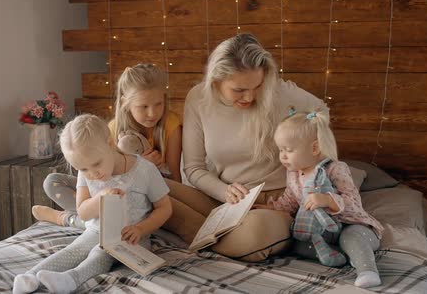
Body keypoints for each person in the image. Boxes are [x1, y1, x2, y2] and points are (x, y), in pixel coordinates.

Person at [161, 33, 329, 261]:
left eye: (257, 86)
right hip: (223, 199)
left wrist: (303, 179)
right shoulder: (198, 98)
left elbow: (321, 112)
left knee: (254, 235)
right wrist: (224, 191)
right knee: (151, 184)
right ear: (216, 80)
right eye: (239, 90)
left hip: (274, 204)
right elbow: (193, 168)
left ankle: (196, 231)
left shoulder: (281, 93)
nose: (249, 97)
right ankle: (218, 235)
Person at [12, 114, 172, 294]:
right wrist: (100, 198)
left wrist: (141, 229)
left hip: (134, 238)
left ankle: (72, 279)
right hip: (97, 229)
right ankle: (30, 277)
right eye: (83, 169)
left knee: (101, 252)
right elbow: (83, 213)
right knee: (75, 249)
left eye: (96, 164)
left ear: (110, 144)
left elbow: (164, 208)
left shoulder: (144, 170)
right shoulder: (87, 171)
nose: (92, 174)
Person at [32, 63, 182, 228]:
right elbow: (106, 173)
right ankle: (78, 219)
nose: (152, 113)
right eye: (143, 107)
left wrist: (148, 168)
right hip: (106, 191)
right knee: (52, 182)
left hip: (146, 195)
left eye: (158, 104)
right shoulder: (112, 129)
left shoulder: (171, 124)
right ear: (126, 103)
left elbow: (176, 179)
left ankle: (70, 220)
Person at [261, 110, 383, 288]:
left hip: (350, 225)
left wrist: (327, 200)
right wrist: (271, 208)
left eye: (289, 150)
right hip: (321, 232)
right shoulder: (294, 174)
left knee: (351, 238)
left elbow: (353, 202)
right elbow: (291, 201)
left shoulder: (335, 168)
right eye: (281, 150)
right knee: (297, 244)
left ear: (315, 148)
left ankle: (368, 271)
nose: (283, 156)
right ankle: (335, 255)